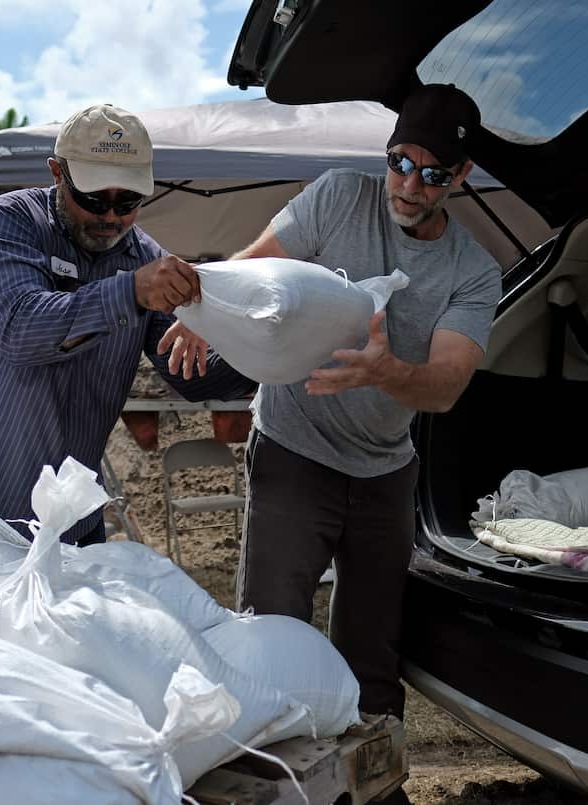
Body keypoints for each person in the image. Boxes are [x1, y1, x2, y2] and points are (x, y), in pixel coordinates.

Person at [160, 83, 501, 804]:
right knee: (269, 635)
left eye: (433, 172)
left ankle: (375, 794)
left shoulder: (473, 271)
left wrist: (388, 373)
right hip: (293, 449)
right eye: (400, 162)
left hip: (384, 474)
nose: (410, 184)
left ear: (461, 178)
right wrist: (205, 307)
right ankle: (267, 789)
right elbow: (258, 263)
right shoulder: (339, 197)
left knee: (372, 658)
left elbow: (443, 385)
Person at [0, 103, 252, 545]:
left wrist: (268, 349)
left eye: (128, 201)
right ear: (56, 172)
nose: (111, 217)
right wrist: (129, 293)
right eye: (94, 198)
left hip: (64, 520)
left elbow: (191, 374)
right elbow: (21, 330)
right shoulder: (10, 222)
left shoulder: (143, 256)